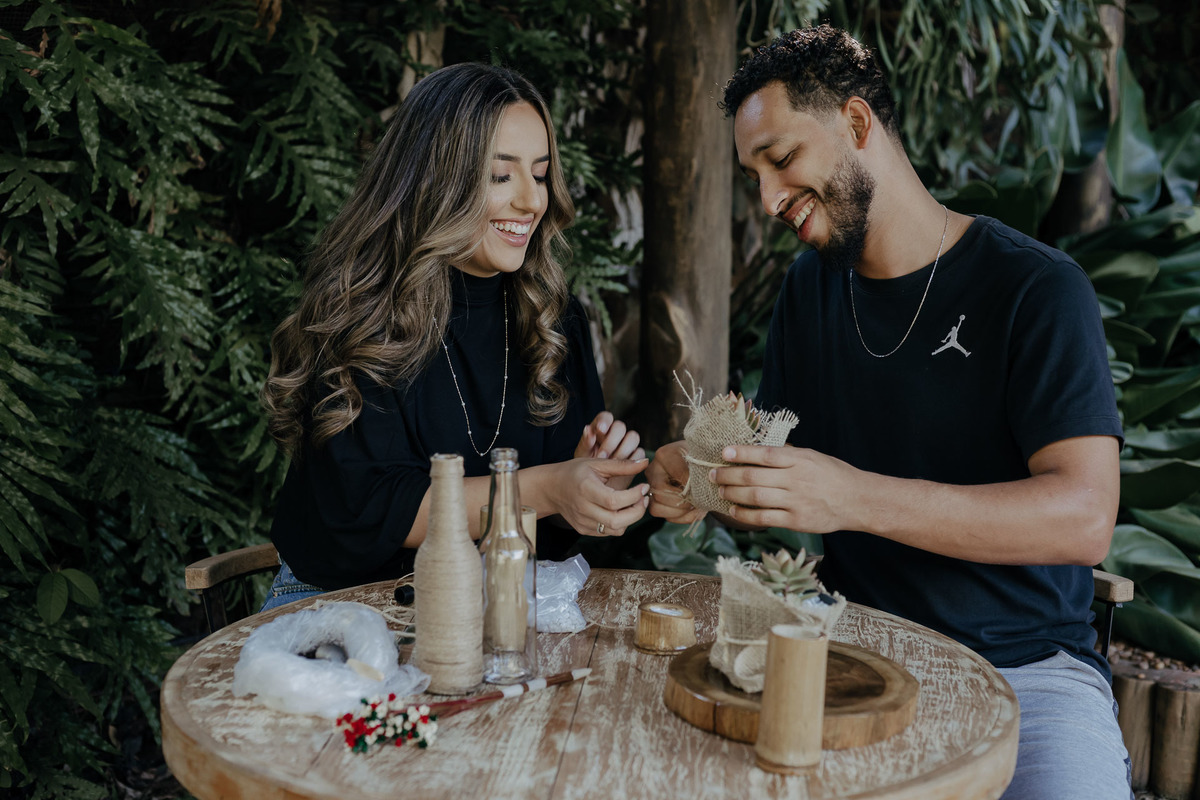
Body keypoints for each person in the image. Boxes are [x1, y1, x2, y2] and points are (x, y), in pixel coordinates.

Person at [647, 26, 1130, 800]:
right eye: (754, 176)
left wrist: (852, 497)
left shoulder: (1037, 290)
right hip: (859, 660)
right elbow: (788, 482)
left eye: (780, 160)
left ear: (857, 123)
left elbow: (1083, 517)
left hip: (1033, 680)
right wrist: (702, 478)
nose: (768, 199)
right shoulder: (808, 294)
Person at [260, 63, 649, 609]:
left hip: (497, 606)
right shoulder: (359, 313)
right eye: (500, 176)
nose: (532, 201)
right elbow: (370, 508)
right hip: (340, 607)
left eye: (539, 174)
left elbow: (549, 539)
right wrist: (545, 487)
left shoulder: (555, 320)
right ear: (434, 180)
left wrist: (586, 480)